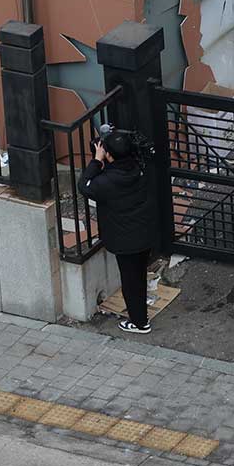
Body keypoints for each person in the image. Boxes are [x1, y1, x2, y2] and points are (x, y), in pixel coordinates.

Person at [78, 130, 158, 335]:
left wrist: (96, 161)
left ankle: (140, 322)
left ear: (109, 155)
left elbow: (85, 185)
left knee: (131, 281)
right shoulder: (139, 167)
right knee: (138, 275)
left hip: (125, 240)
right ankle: (140, 315)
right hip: (144, 232)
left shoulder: (106, 182)